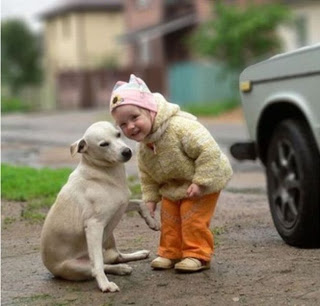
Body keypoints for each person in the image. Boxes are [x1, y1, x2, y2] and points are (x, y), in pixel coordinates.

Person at [110, 74, 233, 272]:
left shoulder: (180, 128)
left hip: (204, 178)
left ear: (150, 110)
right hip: (174, 186)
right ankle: (171, 252)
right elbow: (147, 175)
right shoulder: (144, 147)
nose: (130, 126)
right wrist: (150, 198)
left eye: (134, 117)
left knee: (191, 216)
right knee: (169, 216)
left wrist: (201, 182)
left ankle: (197, 254)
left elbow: (209, 150)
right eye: (123, 124)